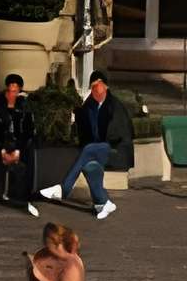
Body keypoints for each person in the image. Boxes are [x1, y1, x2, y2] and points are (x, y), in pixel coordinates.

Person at [40, 73, 131, 218]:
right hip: (97, 150)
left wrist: (98, 144)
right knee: (90, 166)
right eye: (93, 86)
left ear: (106, 87)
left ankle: (64, 189)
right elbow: (83, 131)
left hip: (116, 150)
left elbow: (118, 135)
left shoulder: (115, 106)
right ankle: (103, 203)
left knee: (89, 150)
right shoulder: (89, 106)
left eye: (99, 85)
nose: (96, 89)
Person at [0, 73, 39, 214]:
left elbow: (28, 131)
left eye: (16, 89)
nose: (13, 92)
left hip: (17, 144)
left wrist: (18, 150)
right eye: (10, 88)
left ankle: (21, 195)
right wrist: (1, 149)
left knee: (25, 162)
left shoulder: (25, 107)